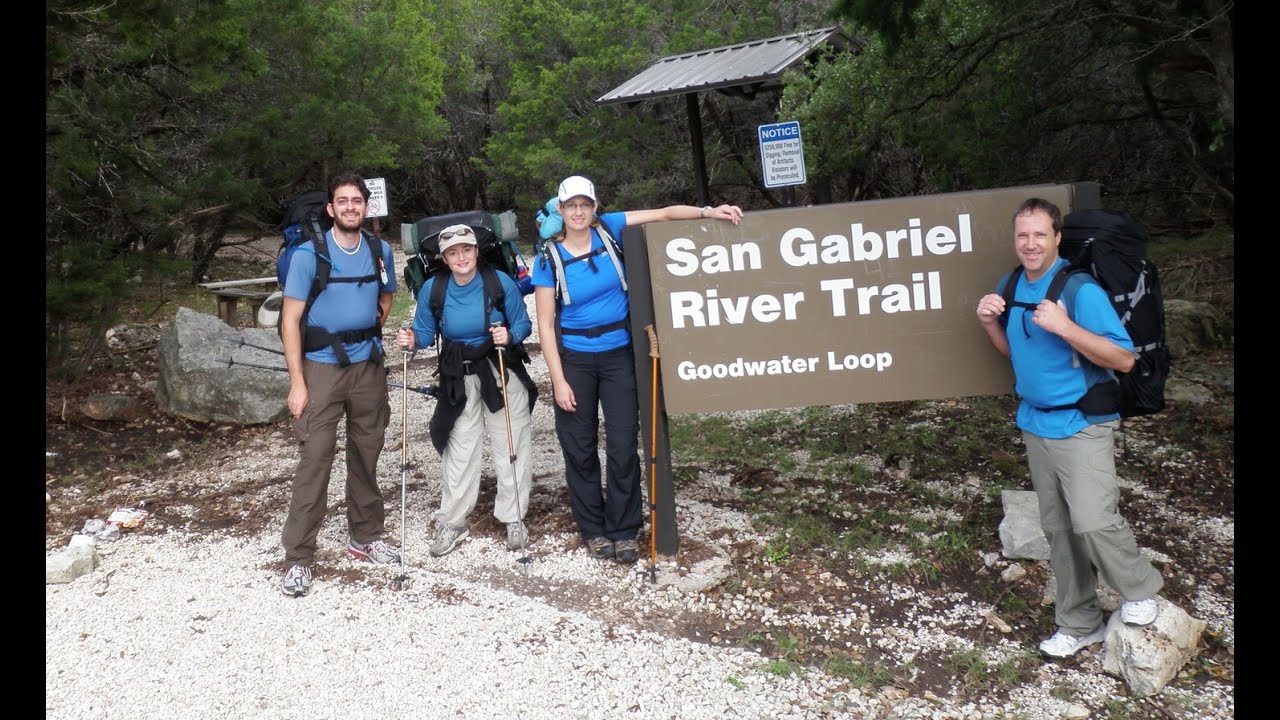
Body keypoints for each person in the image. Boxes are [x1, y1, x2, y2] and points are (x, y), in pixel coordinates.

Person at [975, 197, 1163, 658]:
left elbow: (1123, 358)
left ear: (1057, 238)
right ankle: (1078, 622)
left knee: (1093, 520)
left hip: (1081, 423)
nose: (1031, 244)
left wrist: (1064, 326)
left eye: (1040, 234)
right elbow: (1014, 353)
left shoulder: (1080, 291)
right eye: (1023, 235)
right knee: (1058, 529)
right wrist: (987, 325)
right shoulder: (1012, 283)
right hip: (1036, 422)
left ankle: (1140, 590)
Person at [534, 175, 743, 564]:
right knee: (579, 448)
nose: (578, 212)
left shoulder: (610, 229)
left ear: (595, 207)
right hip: (576, 358)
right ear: (560, 211)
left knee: (622, 442)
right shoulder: (547, 257)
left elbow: (664, 214)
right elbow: (545, 323)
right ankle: (594, 530)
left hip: (619, 356)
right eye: (570, 206)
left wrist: (707, 212)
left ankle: (624, 529)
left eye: (585, 204)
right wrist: (558, 380)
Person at [279, 172, 401, 597]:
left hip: (367, 366)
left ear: (366, 207)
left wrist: (370, 326)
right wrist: (298, 383)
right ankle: (298, 558)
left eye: (357, 201)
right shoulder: (307, 255)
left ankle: (365, 536)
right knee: (315, 457)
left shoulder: (378, 248)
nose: (351, 207)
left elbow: (387, 296)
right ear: (331, 208)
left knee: (367, 451)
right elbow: (290, 320)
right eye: (342, 201)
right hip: (321, 368)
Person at [395, 224, 538, 557]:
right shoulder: (435, 288)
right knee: (460, 450)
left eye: (466, 250)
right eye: (452, 252)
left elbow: (523, 323)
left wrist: (509, 336)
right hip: (458, 375)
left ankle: (513, 515)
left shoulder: (498, 282)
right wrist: (411, 340)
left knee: (511, 442)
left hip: (500, 368)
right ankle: (453, 521)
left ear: (477, 251)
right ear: (444, 258)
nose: (461, 257)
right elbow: (424, 334)